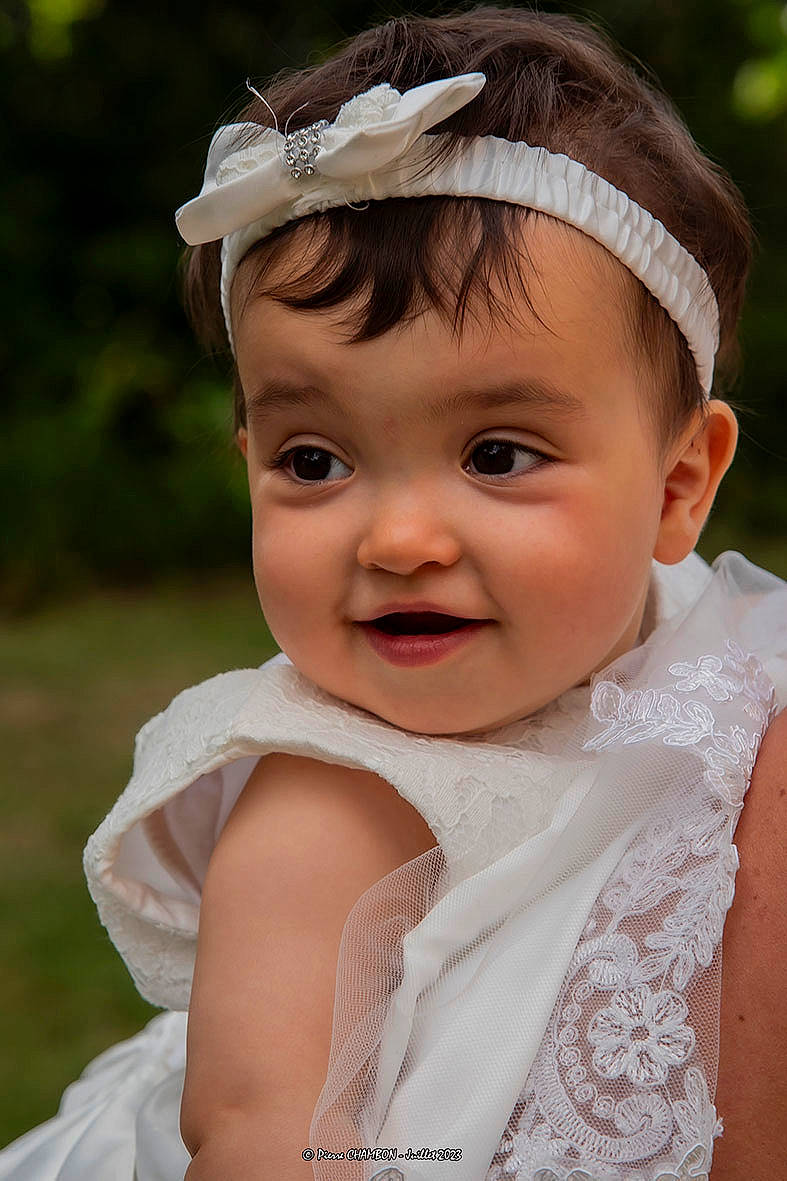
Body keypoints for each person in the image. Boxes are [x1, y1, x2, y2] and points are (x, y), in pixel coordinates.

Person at [1, 6, 785, 1180]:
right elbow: (266, 1139)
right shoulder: (324, 803)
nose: (400, 538)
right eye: (314, 461)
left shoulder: (716, 656)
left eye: (498, 454)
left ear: (679, 485)